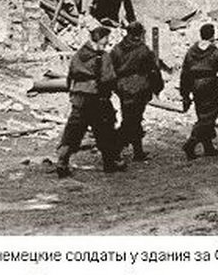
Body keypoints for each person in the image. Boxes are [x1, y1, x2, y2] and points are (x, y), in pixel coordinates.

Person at [56, 25, 126, 177]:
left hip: (79, 99)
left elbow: (70, 75)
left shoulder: (78, 54)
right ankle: (110, 162)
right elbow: (108, 78)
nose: (108, 42)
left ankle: (62, 161)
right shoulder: (103, 57)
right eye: (106, 39)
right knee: (105, 130)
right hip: (97, 98)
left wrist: (73, 92)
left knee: (73, 131)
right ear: (101, 39)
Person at [179, 23, 218, 159]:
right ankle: (191, 143)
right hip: (211, 86)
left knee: (202, 115)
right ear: (213, 36)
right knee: (209, 117)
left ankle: (208, 147)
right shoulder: (215, 53)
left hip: (196, 86)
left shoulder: (191, 52)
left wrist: (185, 95)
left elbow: (185, 74)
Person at [107, 21, 163, 161]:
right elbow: (153, 70)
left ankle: (138, 152)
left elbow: (109, 69)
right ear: (140, 33)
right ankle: (114, 149)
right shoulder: (143, 50)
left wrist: (114, 87)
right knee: (131, 121)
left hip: (123, 89)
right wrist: (157, 87)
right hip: (139, 88)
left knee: (132, 119)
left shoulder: (117, 49)